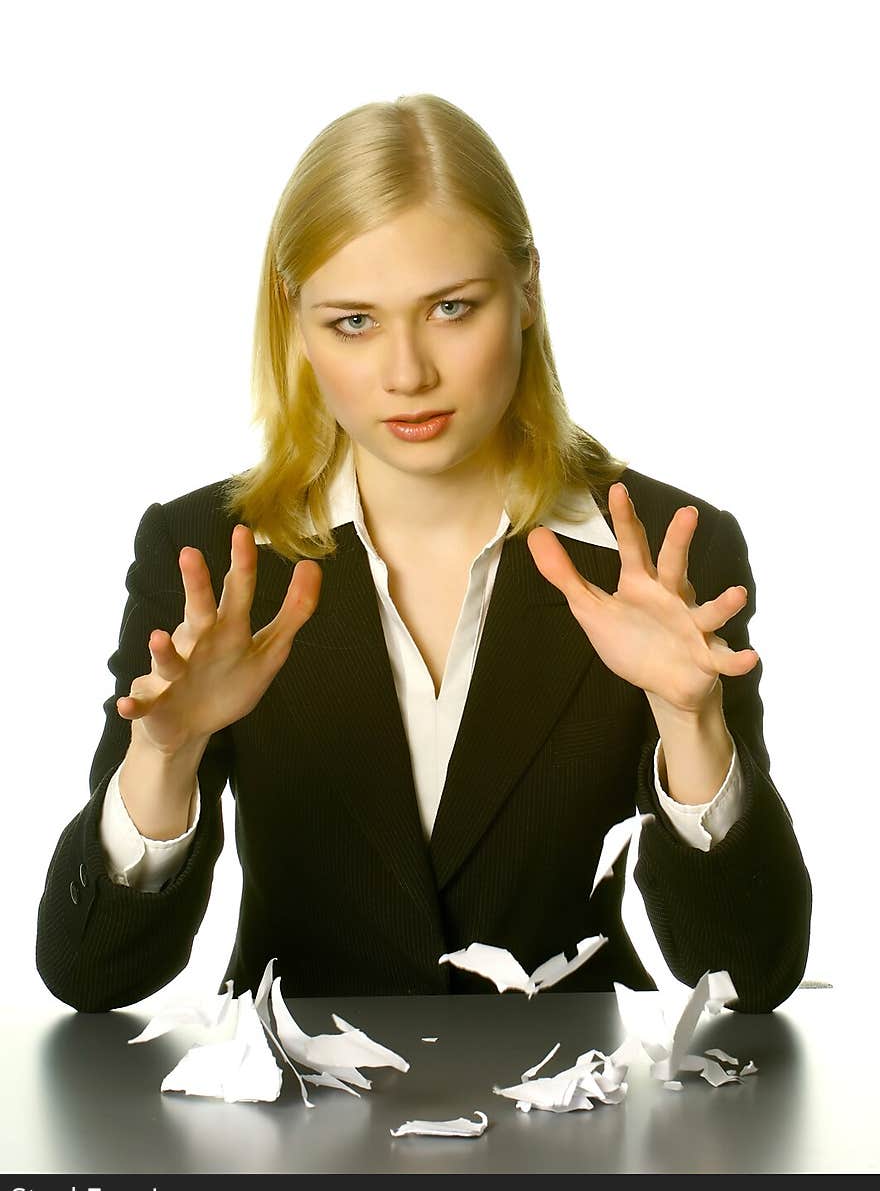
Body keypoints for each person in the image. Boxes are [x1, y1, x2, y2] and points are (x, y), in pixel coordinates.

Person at [36, 94, 811, 1015]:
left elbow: (752, 976)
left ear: (526, 289)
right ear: (296, 322)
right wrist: (166, 758)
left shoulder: (666, 554)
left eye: (451, 308)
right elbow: (92, 976)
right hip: (298, 1130)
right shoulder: (208, 552)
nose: (407, 373)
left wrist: (693, 727)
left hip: (576, 1125)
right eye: (353, 322)